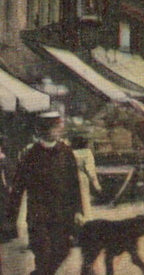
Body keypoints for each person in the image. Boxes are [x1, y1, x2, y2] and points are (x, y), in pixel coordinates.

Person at [6, 111, 81, 274]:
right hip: (39, 215)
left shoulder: (66, 152)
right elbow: (18, 186)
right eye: (56, 127)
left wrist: (78, 211)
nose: (59, 130)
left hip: (62, 214)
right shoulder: (31, 155)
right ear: (45, 130)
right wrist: (10, 218)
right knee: (43, 253)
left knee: (63, 251)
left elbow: (74, 184)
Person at [69, 135, 103, 221]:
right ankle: (87, 220)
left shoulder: (70, 153)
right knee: (84, 200)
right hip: (82, 177)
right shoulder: (87, 153)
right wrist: (97, 185)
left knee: (73, 201)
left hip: (70, 177)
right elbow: (90, 171)